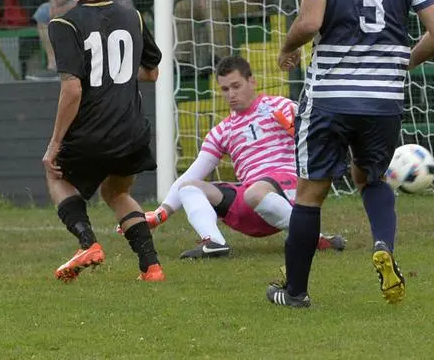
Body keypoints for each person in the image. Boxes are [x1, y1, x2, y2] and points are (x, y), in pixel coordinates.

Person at [266, 0, 434, 308]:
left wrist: (288, 46)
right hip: (382, 99)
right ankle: (382, 243)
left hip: (330, 97)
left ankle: (295, 292)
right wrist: (403, 60)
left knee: (310, 193)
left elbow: (311, 22)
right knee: (371, 176)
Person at [137, 56, 346, 259]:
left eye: (236, 86)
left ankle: (313, 237)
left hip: (288, 190)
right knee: (189, 187)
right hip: (251, 201)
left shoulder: (278, 107)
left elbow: (314, 138)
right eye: (225, 89)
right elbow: (193, 172)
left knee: (254, 192)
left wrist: (301, 133)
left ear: (252, 81)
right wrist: (160, 213)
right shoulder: (222, 131)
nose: (231, 94)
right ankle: (214, 243)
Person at [42, 0, 164, 283]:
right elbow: (152, 72)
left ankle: (88, 243)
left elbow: (72, 88)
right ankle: (151, 267)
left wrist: (54, 145)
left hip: (92, 132)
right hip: (132, 132)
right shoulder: (133, 17)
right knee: (117, 192)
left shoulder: (64, 24)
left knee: (56, 176)